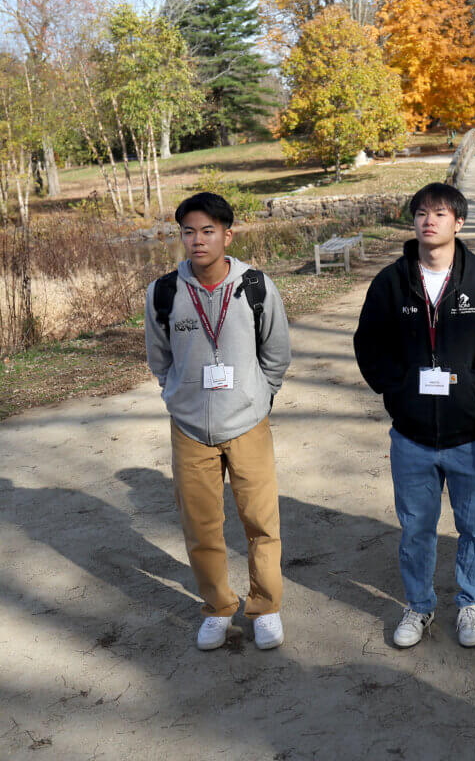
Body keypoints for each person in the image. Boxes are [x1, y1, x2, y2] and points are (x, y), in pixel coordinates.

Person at [354, 182, 475, 649]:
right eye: (422, 213)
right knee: (417, 527)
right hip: (411, 434)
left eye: (441, 213)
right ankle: (419, 605)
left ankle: (471, 602)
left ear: (459, 222)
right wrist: (400, 390)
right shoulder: (391, 281)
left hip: (471, 432)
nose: (430, 221)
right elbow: (369, 345)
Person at [144, 192, 292, 651]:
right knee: (201, 527)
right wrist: (178, 396)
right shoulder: (164, 292)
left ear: (228, 234)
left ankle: (265, 607)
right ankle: (217, 607)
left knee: (261, 522)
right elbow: (159, 357)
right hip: (190, 429)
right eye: (188, 231)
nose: (197, 240)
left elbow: (277, 353)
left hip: (247, 423)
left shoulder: (256, 287)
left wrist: (259, 397)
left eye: (208, 231)